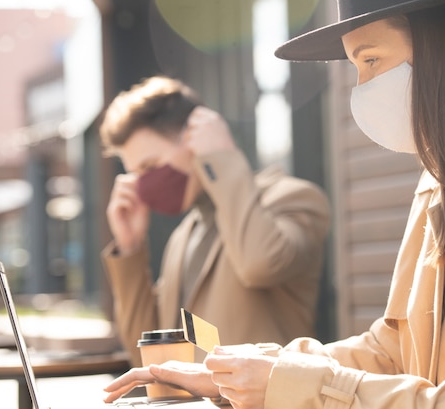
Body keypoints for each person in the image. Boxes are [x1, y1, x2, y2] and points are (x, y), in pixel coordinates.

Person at [104, 0, 445, 408]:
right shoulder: (441, 181)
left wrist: (289, 383)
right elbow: (392, 349)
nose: (362, 89)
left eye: (370, 60)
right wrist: (243, 368)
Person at [98, 76, 331, 367]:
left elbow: (260, 264)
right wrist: (129, 247)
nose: (144, 185)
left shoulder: (294, 198)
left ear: (195, 138)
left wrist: (220, 158)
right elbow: (148, 353)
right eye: (136, 174)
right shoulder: (184, 236)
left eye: (151, 166)